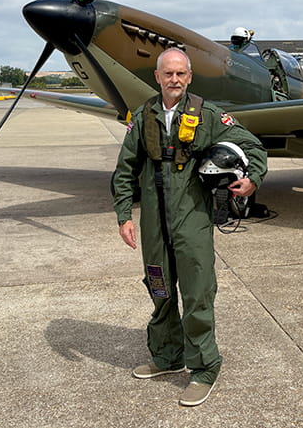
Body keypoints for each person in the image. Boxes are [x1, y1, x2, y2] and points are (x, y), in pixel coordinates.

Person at [112, 47, 267, 407]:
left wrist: (252, 179)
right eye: (168, 74)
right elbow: (125, 169)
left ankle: (204, 369)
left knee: (197, 294)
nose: (174, 80)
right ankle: (167, 357)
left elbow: (252, 145)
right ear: (157, 77)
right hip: (154, 222)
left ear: (189, 77)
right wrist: (123, 215)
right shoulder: (143, 116)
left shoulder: (208, 115)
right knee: (160, 289)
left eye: (180, 73)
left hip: (192, 218)